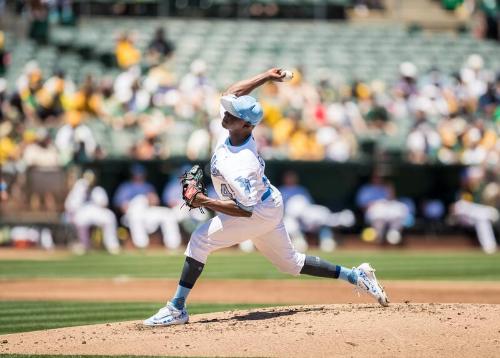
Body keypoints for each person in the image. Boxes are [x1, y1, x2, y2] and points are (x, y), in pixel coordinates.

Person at [143, 68, 389, 327]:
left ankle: (176, 308)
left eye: (233, 114)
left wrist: (203, 200)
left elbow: (245, 210)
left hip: (257, 211)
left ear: (247, 125)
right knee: (291, 264)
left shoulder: (243, 162)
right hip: (267, 201)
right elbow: (231, 93)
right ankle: (355, 275)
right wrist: (266, 77)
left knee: (200, 240)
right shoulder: (228, 128)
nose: (225, 114)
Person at [113, 164, 181, 250]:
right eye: (136, 174)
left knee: (168, 214)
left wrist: (151, 199)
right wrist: (128, 206)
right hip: (131, 213)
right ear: (132, 175)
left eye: (140, 174)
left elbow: (155, 201)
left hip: (147, 211)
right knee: (136, 216)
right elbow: (119, 205)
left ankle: (173, 244)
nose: (138, 176)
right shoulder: (125, 187)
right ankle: (141, 245)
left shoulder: (147, 186)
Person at [65, 170, 120, 255]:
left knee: (110, 217)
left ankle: (112, 245)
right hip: (81, 212)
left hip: (95, 211)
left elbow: (104, 204)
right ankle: (84, 245)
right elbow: (70, 206)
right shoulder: (78, 188)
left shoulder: (98, 190)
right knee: (79, 220)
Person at [355, 170, 409, 245]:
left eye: (380, 177)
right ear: (372, 178)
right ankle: (378, 237)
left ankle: (394, 234)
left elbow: (392, 199)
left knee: (398, 211)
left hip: (387, 211)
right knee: (379, 217)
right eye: (376, 177)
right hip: (374, 212)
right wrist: (373, 204)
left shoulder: (386, 188)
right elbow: (362, 205)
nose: (378, 179)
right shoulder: (366, 189)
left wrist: (390, 189)